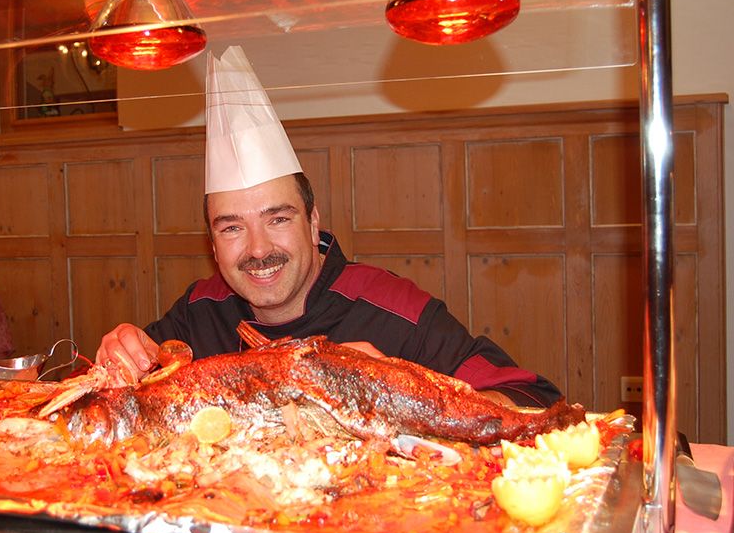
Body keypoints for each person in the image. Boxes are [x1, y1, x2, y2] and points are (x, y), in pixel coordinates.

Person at [94, 46, 563, 408]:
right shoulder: (199, 312)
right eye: (232, 228)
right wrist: (123, 352)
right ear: (211, 242)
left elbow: (533, 401)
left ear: (313, 222)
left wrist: (405, 388)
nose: (258, 250)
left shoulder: (394, 311)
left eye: (277, 218)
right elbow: (131, 388)